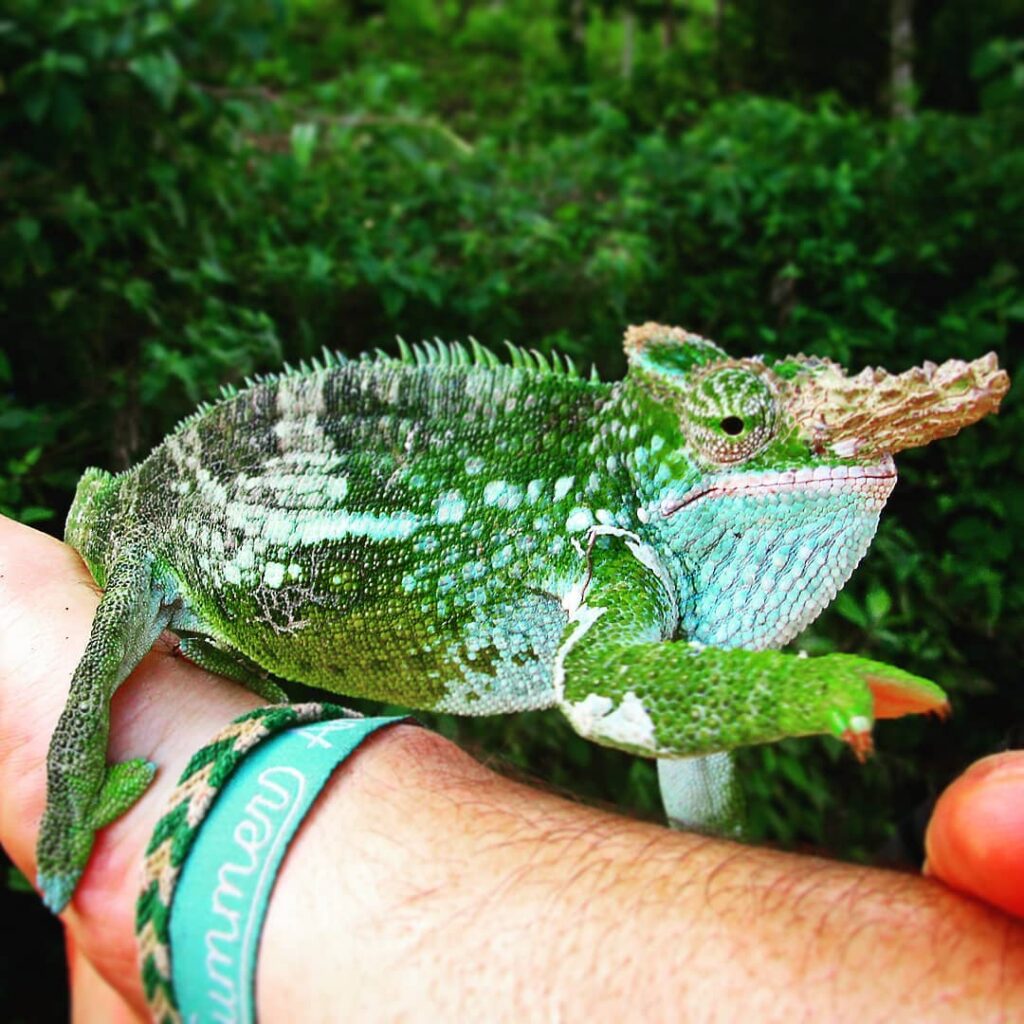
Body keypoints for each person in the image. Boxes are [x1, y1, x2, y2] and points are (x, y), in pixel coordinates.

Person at [0, 514, 1021, 1022]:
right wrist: (798, 696)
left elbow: (674, 740)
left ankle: (179, 823)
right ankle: (154, 815)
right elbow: (617, 688)